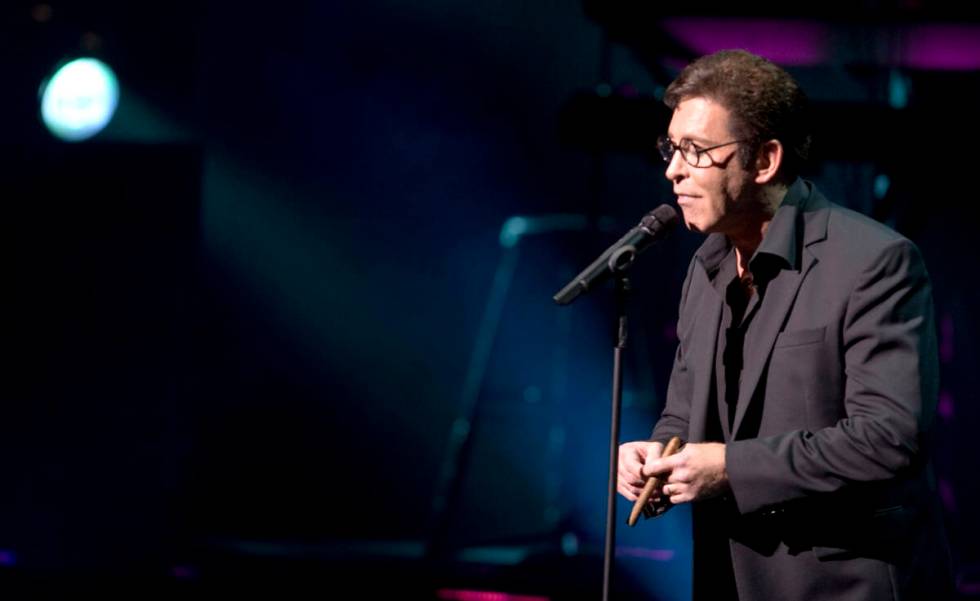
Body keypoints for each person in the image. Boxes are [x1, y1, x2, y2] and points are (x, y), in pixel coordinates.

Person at [616, 49, 953, 600]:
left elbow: (888, 439)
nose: (672, 169)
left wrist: (730, 467)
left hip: (843, 583)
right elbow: (684, 409)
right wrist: (656, 456)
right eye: (671, 148)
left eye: (696, 151)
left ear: (766, 160)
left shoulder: (874, 260)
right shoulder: (706, 265)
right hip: (728, 575)